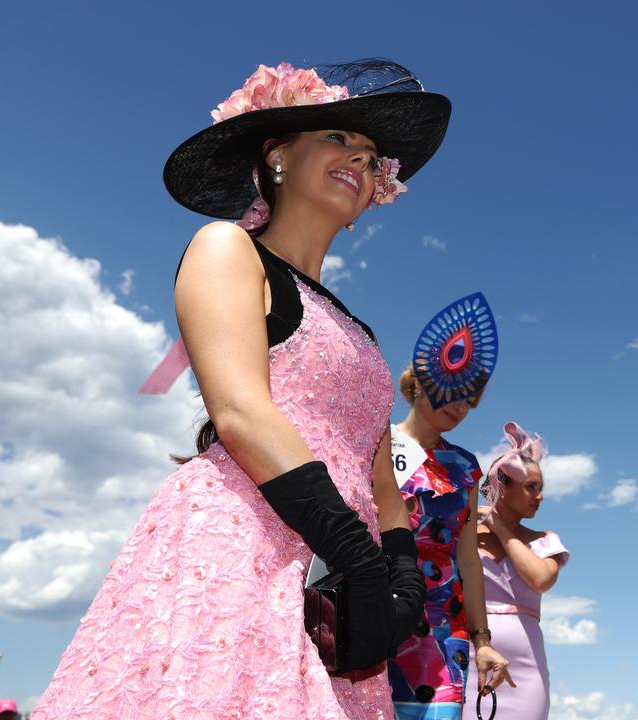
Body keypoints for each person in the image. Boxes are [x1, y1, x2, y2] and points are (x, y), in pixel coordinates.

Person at [33, 59, 450, 719]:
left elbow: (379, 476)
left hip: (333, 587)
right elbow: (240, 411)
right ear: (276, 155)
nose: (361, 161)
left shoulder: (364, 335)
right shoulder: (226, 248)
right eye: (339, 138)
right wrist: (351, 550)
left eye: (373, 158)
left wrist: (400, 575)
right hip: (242, 547)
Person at [388, 293, 514, 720]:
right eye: (454, 393)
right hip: (377, 620)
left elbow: (468, 559)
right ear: (421, 383)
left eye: (469, 401)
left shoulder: (465, 467)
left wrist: (482, 640)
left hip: (446, 631)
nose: (460, 408)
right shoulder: (374, 443)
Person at [461, 422, 568, 720]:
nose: (539, 495)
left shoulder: (544, 540)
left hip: (526, 669)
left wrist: (498, 526)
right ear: (501, 488)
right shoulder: (465, 535)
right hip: (468, 658)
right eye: (530, 487)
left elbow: (541, 579)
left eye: (541, 488)